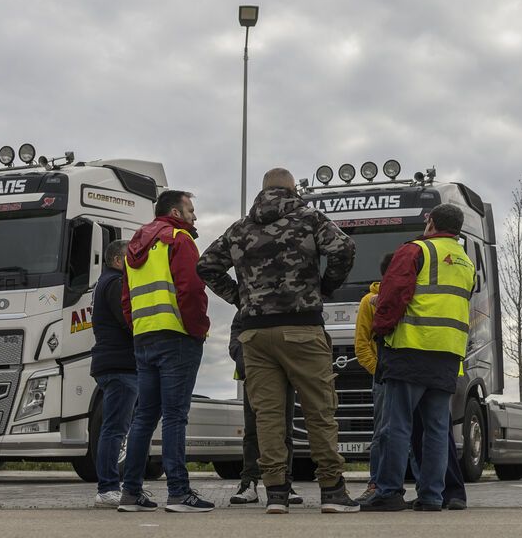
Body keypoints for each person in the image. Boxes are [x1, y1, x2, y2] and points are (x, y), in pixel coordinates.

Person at [197, 167, 360, 514]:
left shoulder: (240, 228)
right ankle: (332, 491)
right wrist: (325, 287)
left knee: (267, 416)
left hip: (255, 332)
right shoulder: (309, 218)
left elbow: (206, 265)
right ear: (292, 188)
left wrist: (241, 297)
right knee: (319, 411)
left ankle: (276, 493)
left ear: (263, 190)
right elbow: (344, 248)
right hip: (303, 329)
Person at [362, 203, 475, 512]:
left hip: (411, 349)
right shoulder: (466, 262)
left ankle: (389, 492)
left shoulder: (415, 251)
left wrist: (381, 330)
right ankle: (431, 497)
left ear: (431, 222)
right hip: (448, 353)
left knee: (396, 426)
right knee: (437, 429)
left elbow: (393, 293)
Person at [117, 190, 214, 514]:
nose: (195, 217)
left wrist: (138, 328)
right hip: (176, 336)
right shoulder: (179, 239)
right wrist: (198, 329)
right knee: (175, 415)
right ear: (176, 211)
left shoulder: (134, 247)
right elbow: (191, 289)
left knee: (144, 416)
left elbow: (127, 298)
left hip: (144, 338)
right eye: (191, 210)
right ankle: (179, 492)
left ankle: (130, 492)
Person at [227, 312, 303, 506]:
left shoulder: (286, 305)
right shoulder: (245, 309)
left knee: (285, 431)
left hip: (284, 377)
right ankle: (248, 484)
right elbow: (236, 342)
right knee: (252, 432)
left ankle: (285, 482)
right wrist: (250, 366)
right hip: (254, 376)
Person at [89, 239, 138, 508]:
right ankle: (107, 488)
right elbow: (128, 321)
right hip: (120, 366)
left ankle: (118, 486)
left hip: (111, 364)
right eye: (131, 257)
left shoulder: (102, 283)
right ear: (119, 260)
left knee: (116, 428)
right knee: (115, 429)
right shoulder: (116, 283)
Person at [353, 252, 392, 502]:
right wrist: (377, 369)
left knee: (413, 434)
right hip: (384, 378)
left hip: (409, 374)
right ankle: (375, 484)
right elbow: (361, 344)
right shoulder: (369, 301)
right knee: (382, 433)